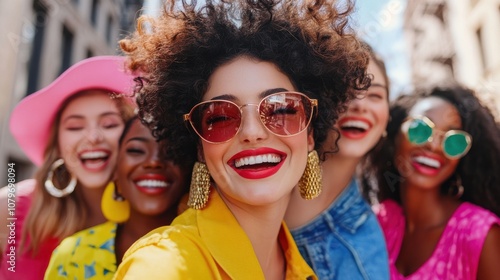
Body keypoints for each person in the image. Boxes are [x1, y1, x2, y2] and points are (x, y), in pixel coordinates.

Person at [114, 0, 371, 279]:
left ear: (310, 135)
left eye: (281, 109)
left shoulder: (304, 272)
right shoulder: (164, 267)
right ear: (199, 147)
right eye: (221, 117)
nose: (252, 132)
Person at [0, 56, 135, 279]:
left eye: (109, 124)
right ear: (58, 145)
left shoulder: (155, 211)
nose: (93, 137)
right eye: (75, 126)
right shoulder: (11, 206)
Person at [366, 85, 500, 279]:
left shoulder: (480, 234)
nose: (434, 145)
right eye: (420, 128)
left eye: (454, 140)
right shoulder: (379, 223)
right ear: (395, 135)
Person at [285, 43, 390, 279]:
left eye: (375, 95)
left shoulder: (366, 242)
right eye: (345, 91)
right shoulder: (253, 183)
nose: (359, 105)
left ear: (387, 116)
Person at [44, 116, 193, 279]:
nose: (154, 161)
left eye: (171, 151)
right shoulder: (72, 254)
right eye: (136, 150)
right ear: (116, 170)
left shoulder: (204, 252)